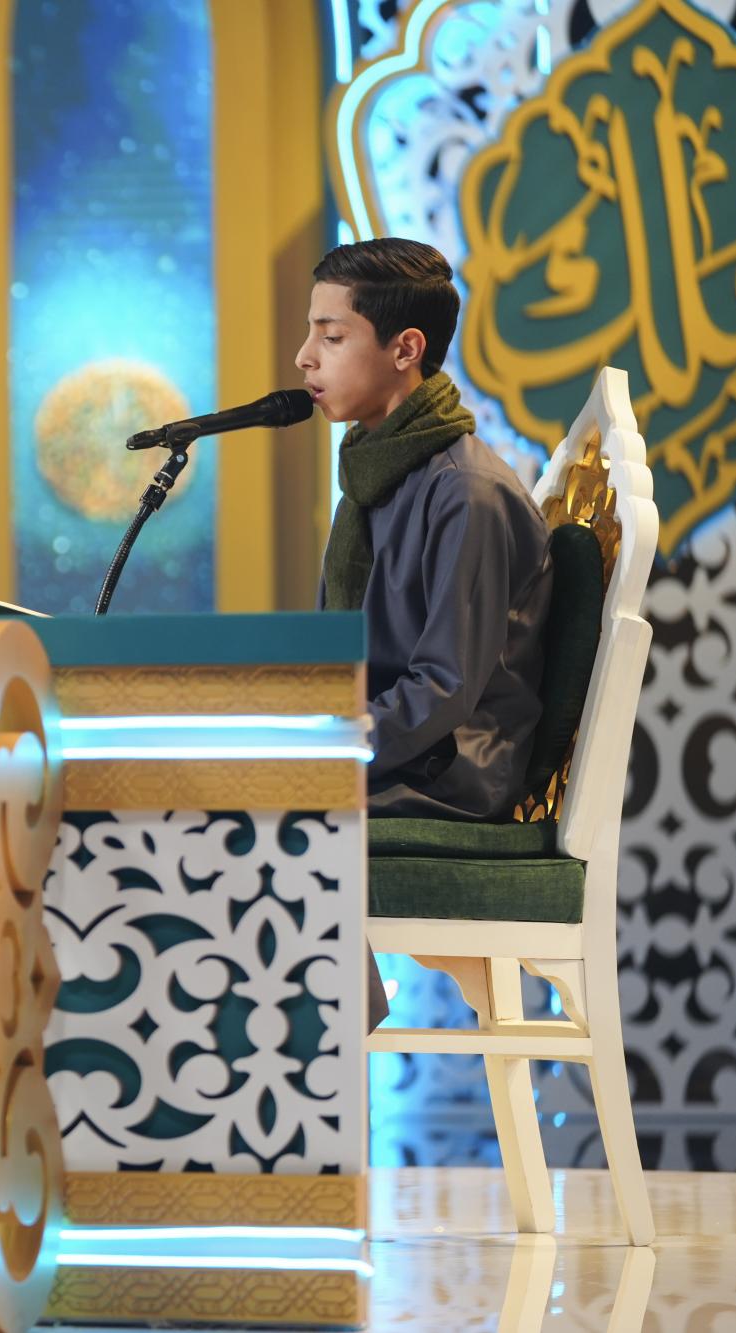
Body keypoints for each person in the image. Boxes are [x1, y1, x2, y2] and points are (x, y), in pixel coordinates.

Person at [297, 237, 553, 1031]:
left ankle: (324, 1046)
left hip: (447, 771)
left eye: (332, 336)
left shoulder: (464, 492)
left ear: (406, 349)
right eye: (310, 332)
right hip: (402, 753)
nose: (305, 357)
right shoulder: (380, 474)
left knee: (259, 809)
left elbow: (442, 688)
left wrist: (324, 746)